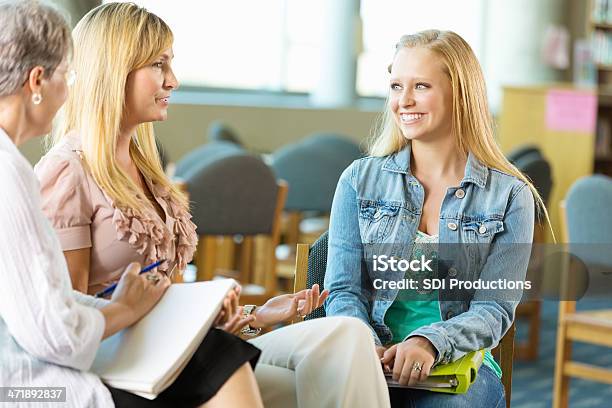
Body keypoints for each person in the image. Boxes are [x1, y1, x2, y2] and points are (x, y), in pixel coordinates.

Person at [35, 3, 391, 407]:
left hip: (175, 348)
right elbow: (66, 320)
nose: (173, 80)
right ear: (114, 71)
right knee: (294, 389)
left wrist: (254, 318)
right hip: (124, 362)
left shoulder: (144, 170)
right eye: (158, 64)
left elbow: (168, 299)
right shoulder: (67, 172)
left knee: (345, 334)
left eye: (171, 63)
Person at [0, 1, 263, 407]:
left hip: (126, 345)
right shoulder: (35, 171)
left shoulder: (143, 167)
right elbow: (54, 328)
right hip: (40, 381)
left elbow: (58, 307)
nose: (70, 89)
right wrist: (126, 308)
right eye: (62, 76)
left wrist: (203, 312)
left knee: (236, 355)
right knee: (218, 357)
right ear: (37, 81)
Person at [324, 29, 542, 407]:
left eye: (420, 86)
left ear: (460, 94)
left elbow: (494, 309)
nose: (403, 101)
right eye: (395, 86)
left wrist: (428, 342)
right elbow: (344, 290)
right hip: (369, 359)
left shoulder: (511, 196)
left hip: (455, 363)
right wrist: (366, 346)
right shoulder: (358, 180)